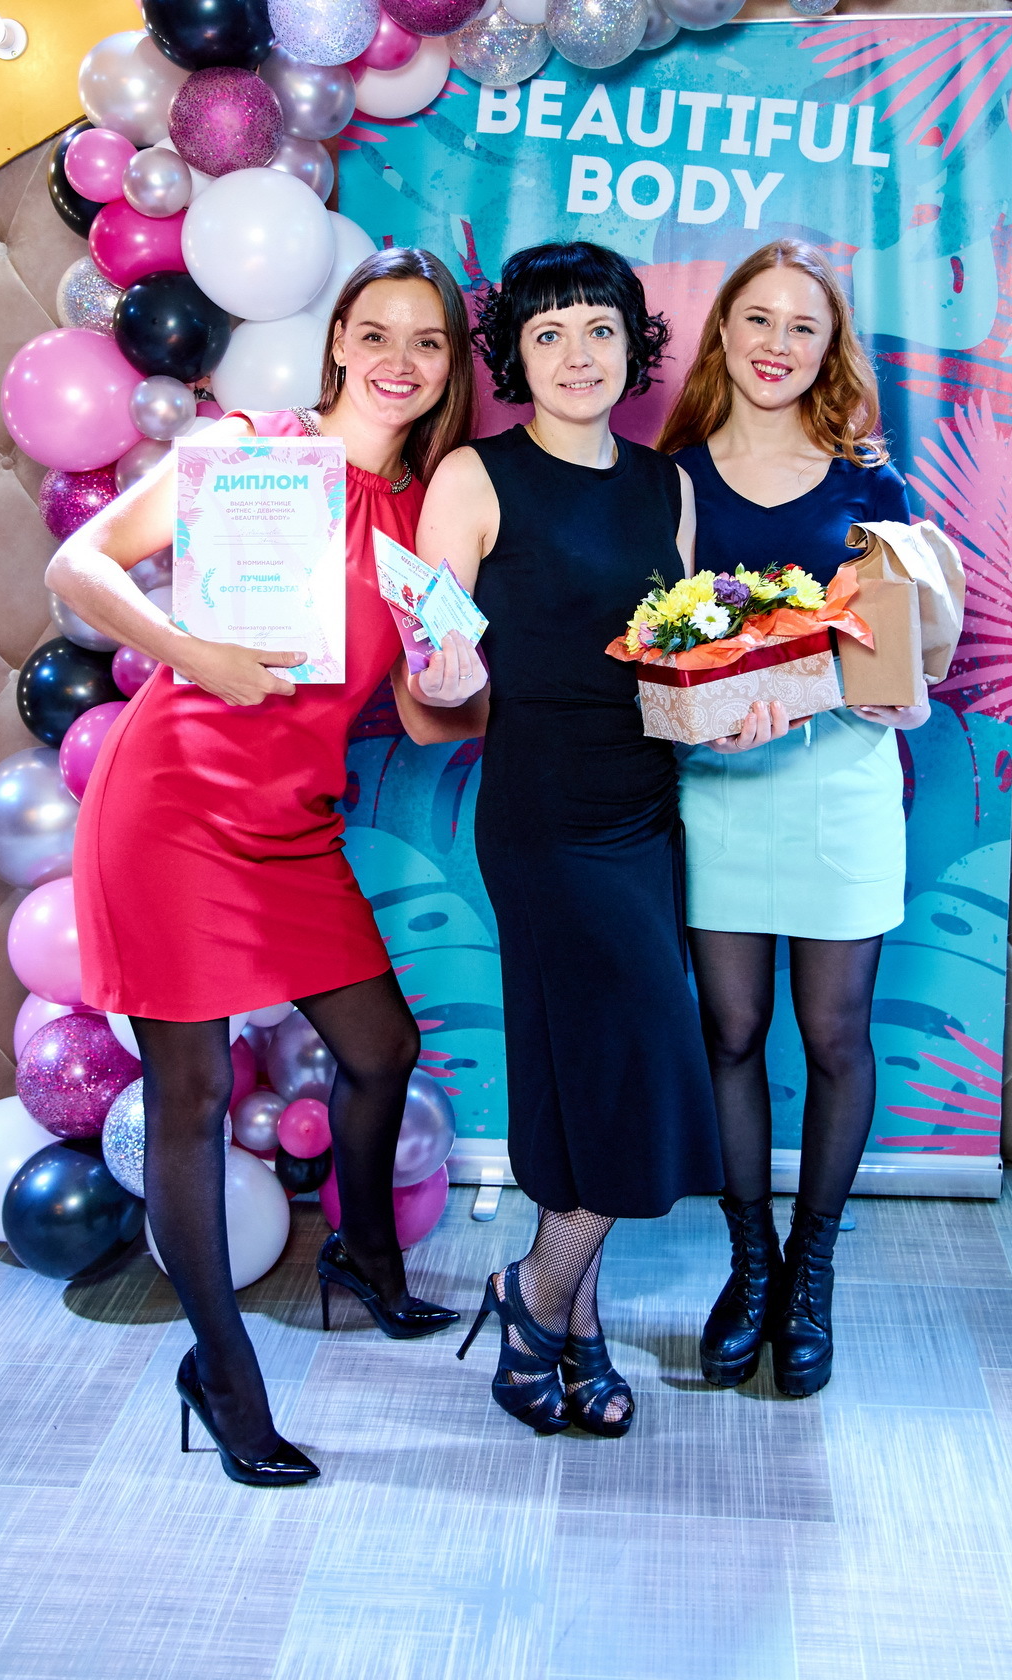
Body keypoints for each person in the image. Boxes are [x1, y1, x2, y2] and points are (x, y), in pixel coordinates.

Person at [48, 248, 488, 1486]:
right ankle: (224, 1375)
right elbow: (78, 565)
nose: (399, 361)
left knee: (381, 1049)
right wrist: (194, 651)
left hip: (295, 822)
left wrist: (460, 683)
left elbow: (428, 723)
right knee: (187, 1096)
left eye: (428, 342)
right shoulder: (255, 448)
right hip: (172, 802)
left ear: (449, 367)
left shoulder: (422, 517)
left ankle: (364, 1258)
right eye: (377, 334)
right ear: (337, 340)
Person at [418, 241, 723, 1439]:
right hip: (542, 815)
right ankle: (534, 1296)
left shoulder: (665, 488)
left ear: (631, 347)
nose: (575, 355)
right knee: (639, 1058)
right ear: (513, 356)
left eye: (598, 329)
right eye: (546, 334)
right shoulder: (473, 476)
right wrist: (441, 669)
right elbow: (432, 649)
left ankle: (571, 1328)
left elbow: (675, 662)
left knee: (578, 1072)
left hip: (646, 810)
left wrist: (735, 701)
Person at [659, 239, 930, 1399]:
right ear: (723, 330)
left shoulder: (871, 484)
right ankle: (750, 1263)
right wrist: (697, 711)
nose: (775, 344)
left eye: (801, 327)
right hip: (717, 790)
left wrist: (882, 694)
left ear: (828, 349)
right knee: (727, 1033)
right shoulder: (672, 480)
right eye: (757, 319)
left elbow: (904, 661)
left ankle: (811, 1273)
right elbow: (657, 645)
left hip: (840, 788)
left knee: (831, 1037)